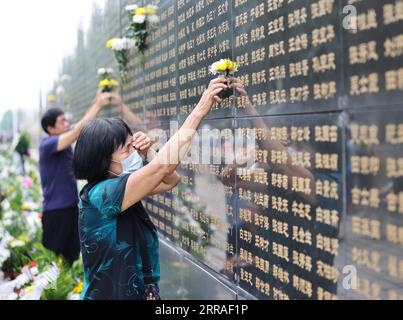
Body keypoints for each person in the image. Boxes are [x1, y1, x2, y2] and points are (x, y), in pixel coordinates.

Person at [73, 78, 227, 300]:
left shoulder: (119, 186)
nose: (133, 151)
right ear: (104, 160)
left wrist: (147, 153)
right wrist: (199, 110)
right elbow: (164, 167)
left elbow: (169, 180)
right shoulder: (102, 195)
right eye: (127, 149)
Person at [39, 91, 114, 265]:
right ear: (50, 129)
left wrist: (97, 99)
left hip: (69, 208)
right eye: (62, 121)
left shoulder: (60, 143)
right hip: (57, 213)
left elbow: (77, 129)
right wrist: (98, 105)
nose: (67, 123)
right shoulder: (48, 145)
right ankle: (52, 292)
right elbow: (77, 131)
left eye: (66, 119)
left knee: (71, 258)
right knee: (54, 262)